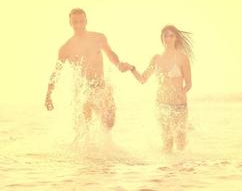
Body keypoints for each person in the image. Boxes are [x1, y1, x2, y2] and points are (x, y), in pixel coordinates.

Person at [44, 8, 130, 145]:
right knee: (86, 129)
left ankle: (103, 152)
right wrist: (48, 95)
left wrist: (119, 65)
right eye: (75, 22)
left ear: (86, 21)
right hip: (83, 91)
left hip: (102, 87)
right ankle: (87, 158)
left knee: (109, 123)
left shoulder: (99, 38)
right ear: (70, 23)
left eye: (81, 21)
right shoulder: (66, 48)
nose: (78, 25)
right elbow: (56, 72)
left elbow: (111, 54)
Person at [128, 25, 193, 153]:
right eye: (165, 36)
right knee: (167, 143)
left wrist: (182, 92)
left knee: (181, 144)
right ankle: (167, 172)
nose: (168, 38)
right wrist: (132, 69)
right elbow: (143, 79)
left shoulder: (183, 58)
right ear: (162, 38)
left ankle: (183, 172)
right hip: (162, 105)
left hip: (179, 105)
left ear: (176, 38)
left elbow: (189, 84)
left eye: (171, 35)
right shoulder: (156, 59)